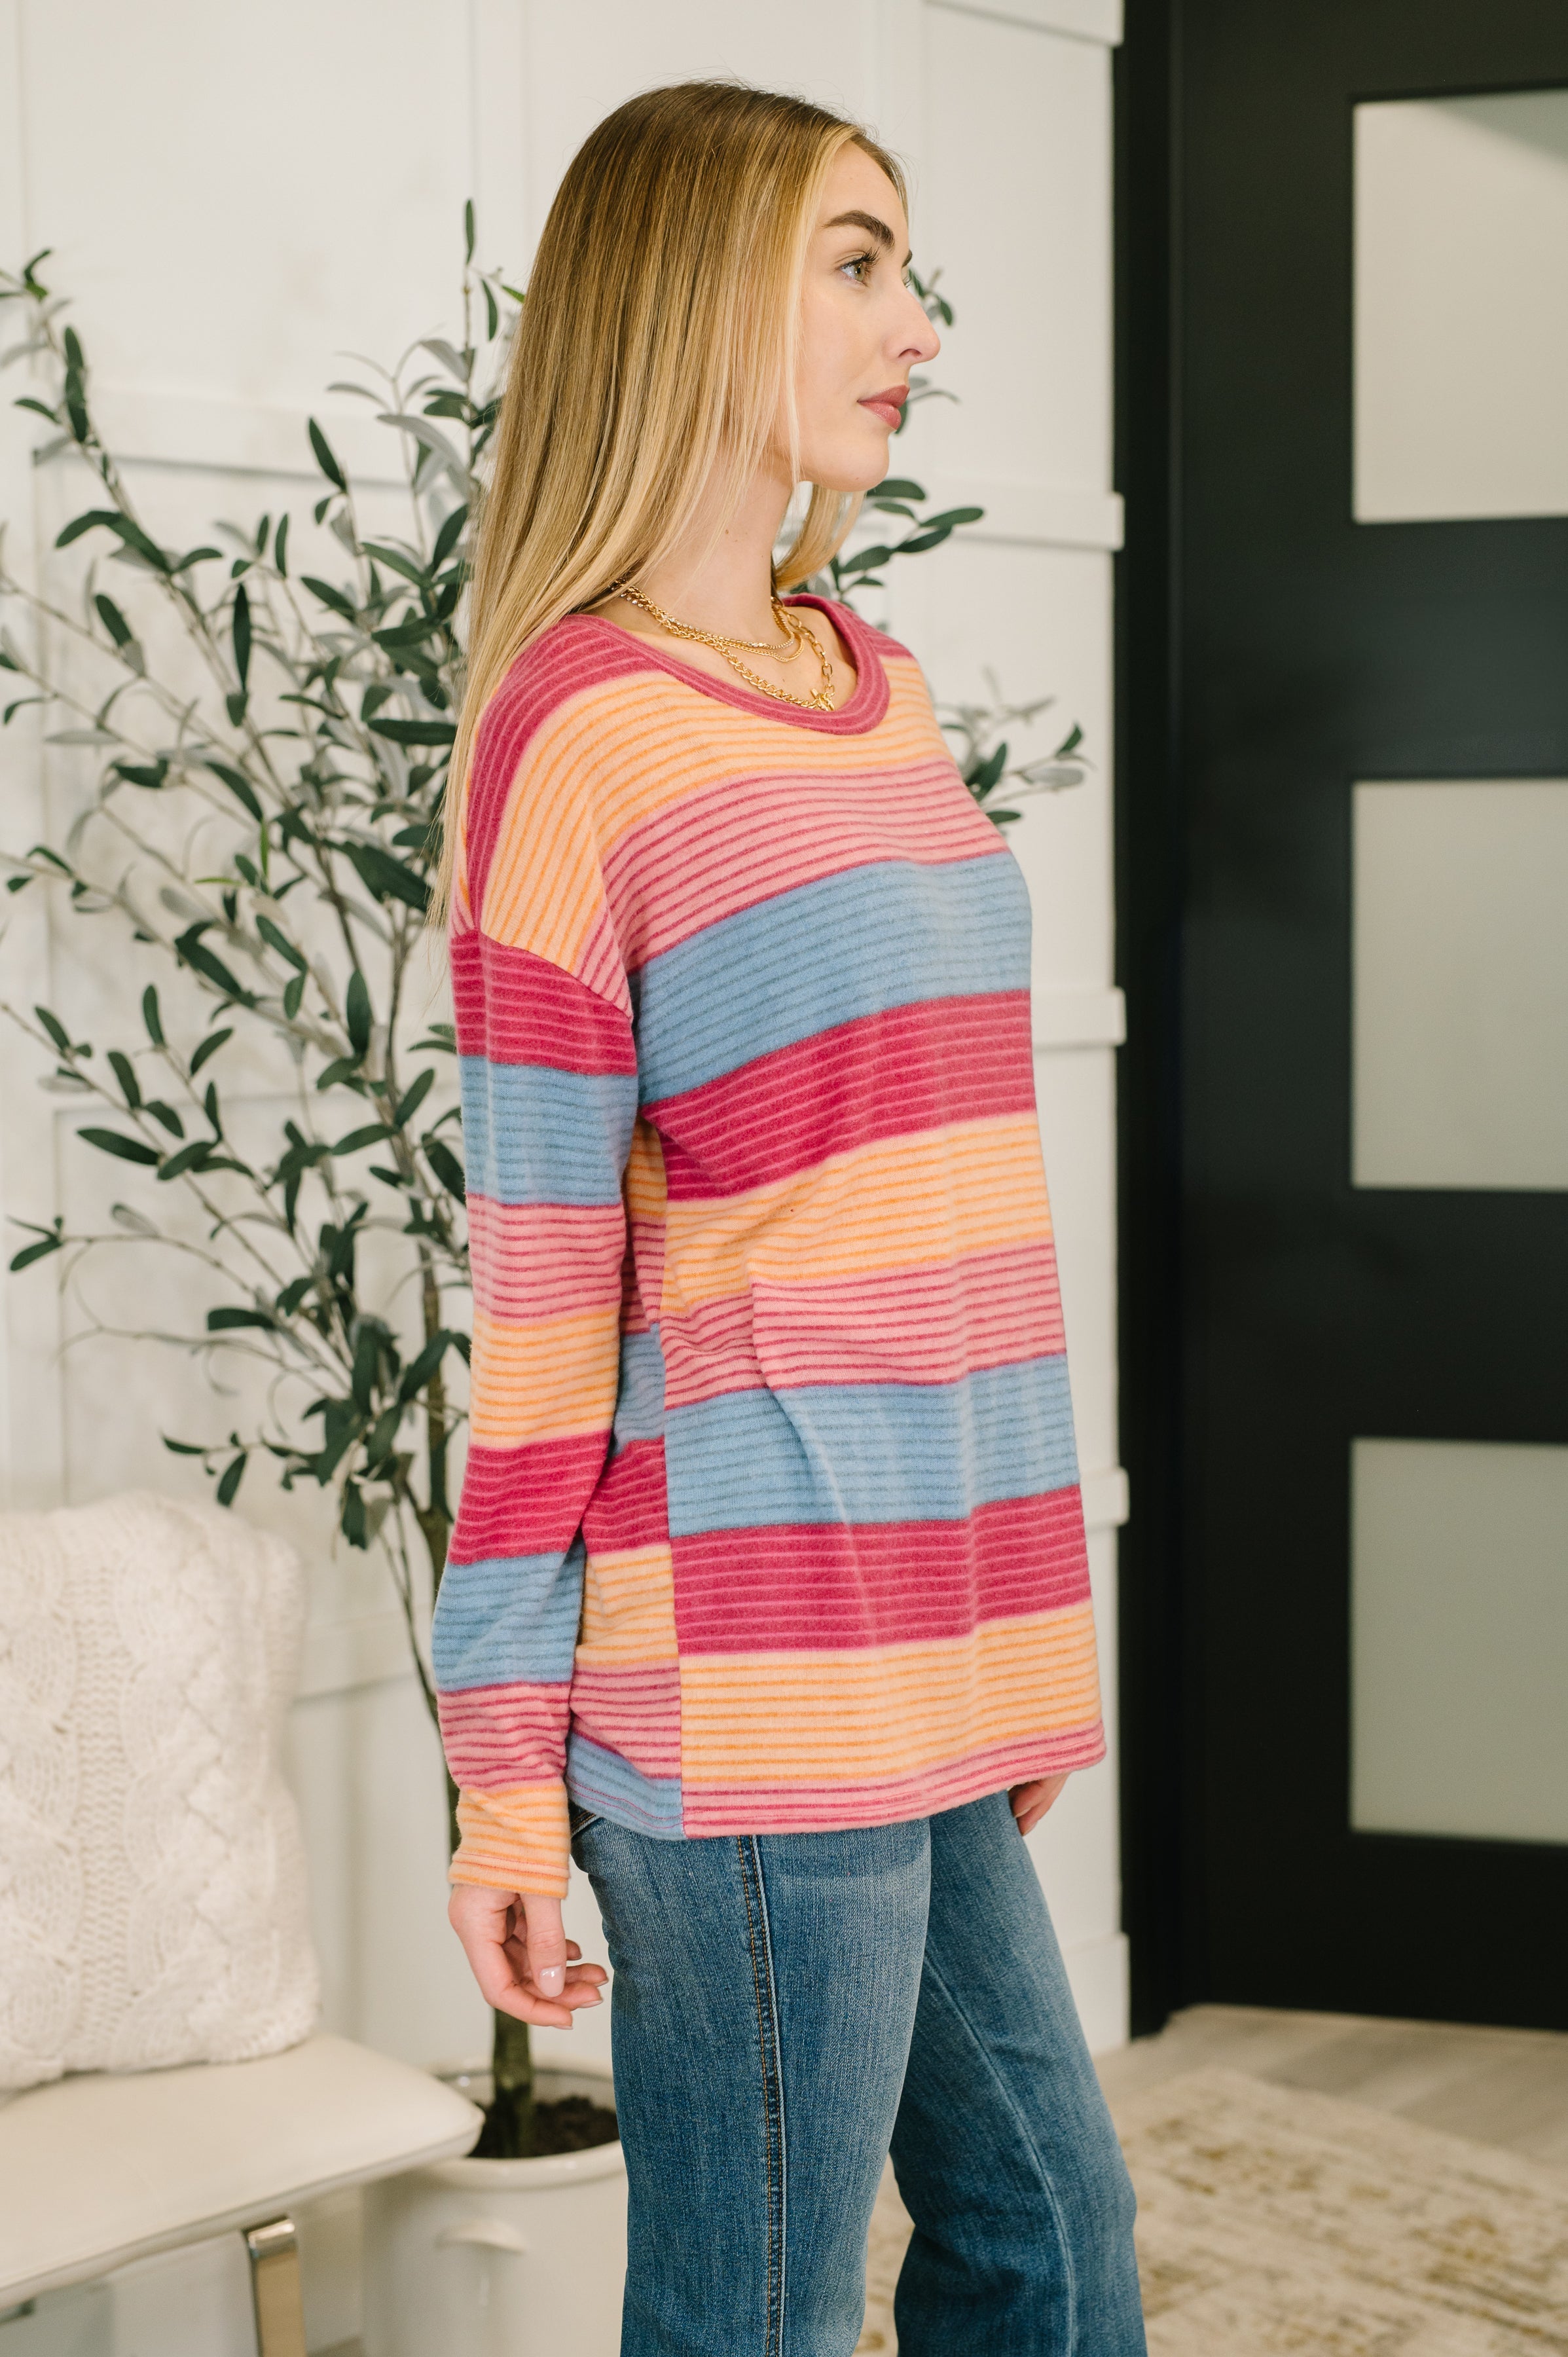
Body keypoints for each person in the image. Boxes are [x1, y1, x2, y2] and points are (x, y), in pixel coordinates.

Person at [431, 79, 1144, 2357]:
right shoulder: (580, 741)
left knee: (1048, 2243)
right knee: (745, 2317)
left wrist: (1016, 1630)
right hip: (736, 1677)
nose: (912, 320)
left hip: (918, 1645)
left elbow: (963, 1225)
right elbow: (545, 1306)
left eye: (906, 265)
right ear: (688, 296)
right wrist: (499, 1782)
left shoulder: (879, 685)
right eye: (854, 260)